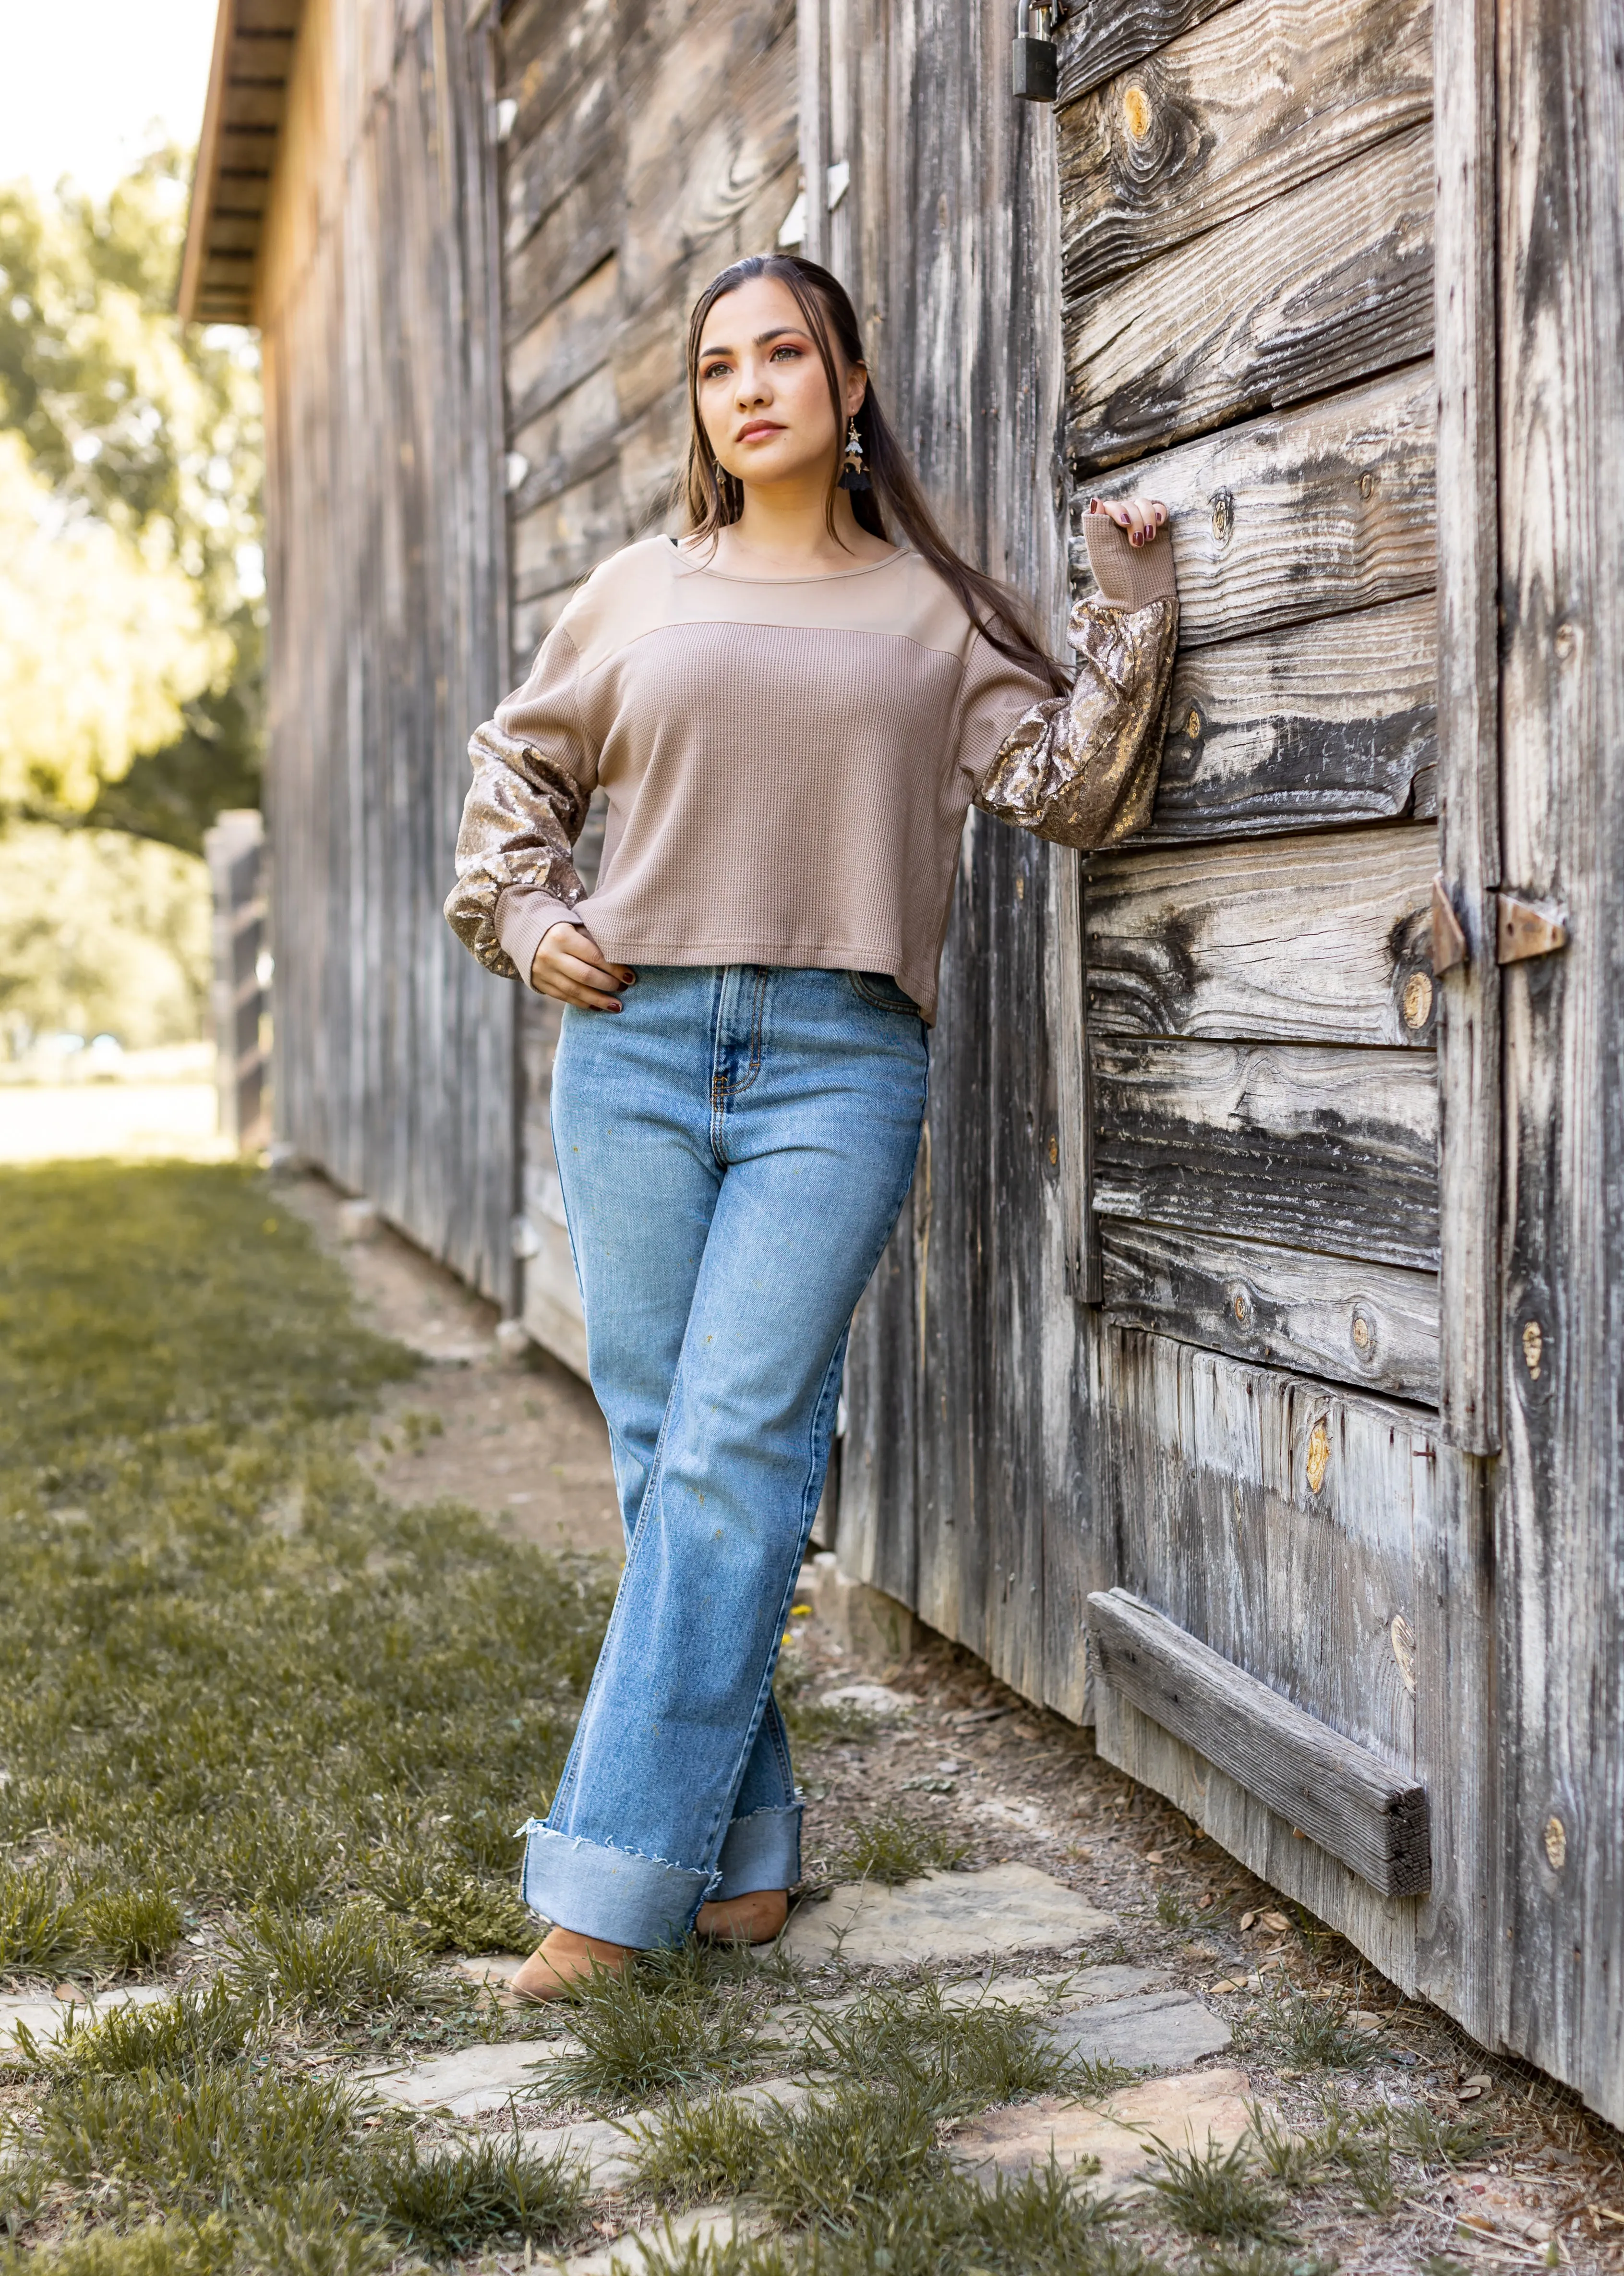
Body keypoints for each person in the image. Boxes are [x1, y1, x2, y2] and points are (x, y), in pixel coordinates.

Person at [445, 253, 1176, 2001]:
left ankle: (604, 1899)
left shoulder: (936, 610)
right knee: (662, 1456)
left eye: (785, 354)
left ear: (849, 388)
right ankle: (746, 1859)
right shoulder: (637, 589)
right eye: (717, 366)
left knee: (732, 1454)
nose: (750, 386)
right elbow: (513, 772)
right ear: (700, 408)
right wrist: (527, 917)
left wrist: (1126, 606)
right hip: (633, 1046)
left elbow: (1072, 793)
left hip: (837, 1067)